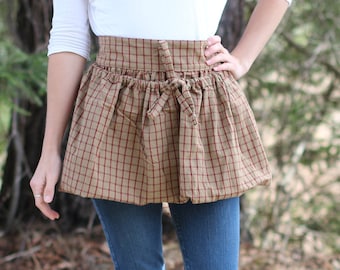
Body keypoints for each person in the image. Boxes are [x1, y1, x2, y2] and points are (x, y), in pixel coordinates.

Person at [30, 0, 291, 269]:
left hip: (201, 104)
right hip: (114, 108)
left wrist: (244, 58)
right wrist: (50, 151)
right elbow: (69, 35)